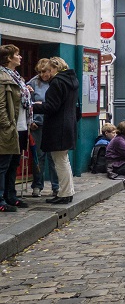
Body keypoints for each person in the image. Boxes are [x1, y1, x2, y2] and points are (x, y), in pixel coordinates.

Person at [33, 56, 81, 205]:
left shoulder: (57, 82)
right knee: (63, 160)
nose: (47, 72)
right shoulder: (71, 81)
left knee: (60, 161)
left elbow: (52, 107)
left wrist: (34, 105)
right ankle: (66, 191)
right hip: (68, 125)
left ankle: (65, 193)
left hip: (57, 127)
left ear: (55, 68)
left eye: (49, 69)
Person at [0, 45, 31, 212]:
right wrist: (6, 125)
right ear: (9, 58)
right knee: (3, 164)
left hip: (21, 126)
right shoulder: (2, 76)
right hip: (9, 128)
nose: (20, 57)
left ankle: (11, 195)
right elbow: (1, 105)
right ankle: (1, 198)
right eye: (17, 54)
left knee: (14, 164)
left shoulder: (17, 77)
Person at [27, 58, 59, 198]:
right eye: (41, 72)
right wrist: (31, 120)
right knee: (38, 156)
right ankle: (37, 185)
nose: (43, 74)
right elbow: (27, 104)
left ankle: (56, 186)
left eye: (45, 71)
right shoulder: (33, 83)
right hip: (38, 124)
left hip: (52, 124)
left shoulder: (56, 82)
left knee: (54, 157)